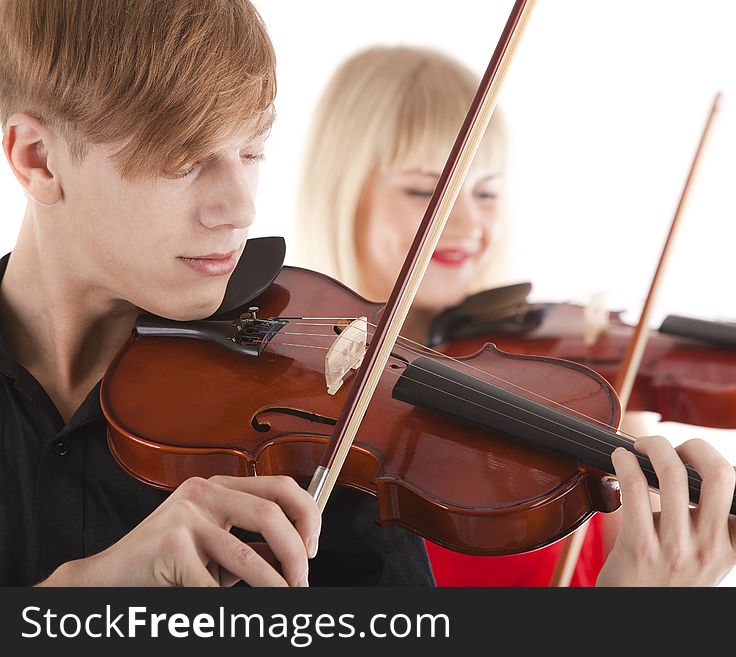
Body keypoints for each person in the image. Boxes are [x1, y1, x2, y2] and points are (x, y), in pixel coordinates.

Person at [294, 46, 736, 586]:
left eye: (487, 193)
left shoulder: (576, 391)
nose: (466, 223)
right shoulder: (288, 422)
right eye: (427, 190)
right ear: (342, 193)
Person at [0, 0, 435, 587]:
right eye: (183, 163)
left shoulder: (303, 424)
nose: (240, 210)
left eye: (251, 151)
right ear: (38, 159)